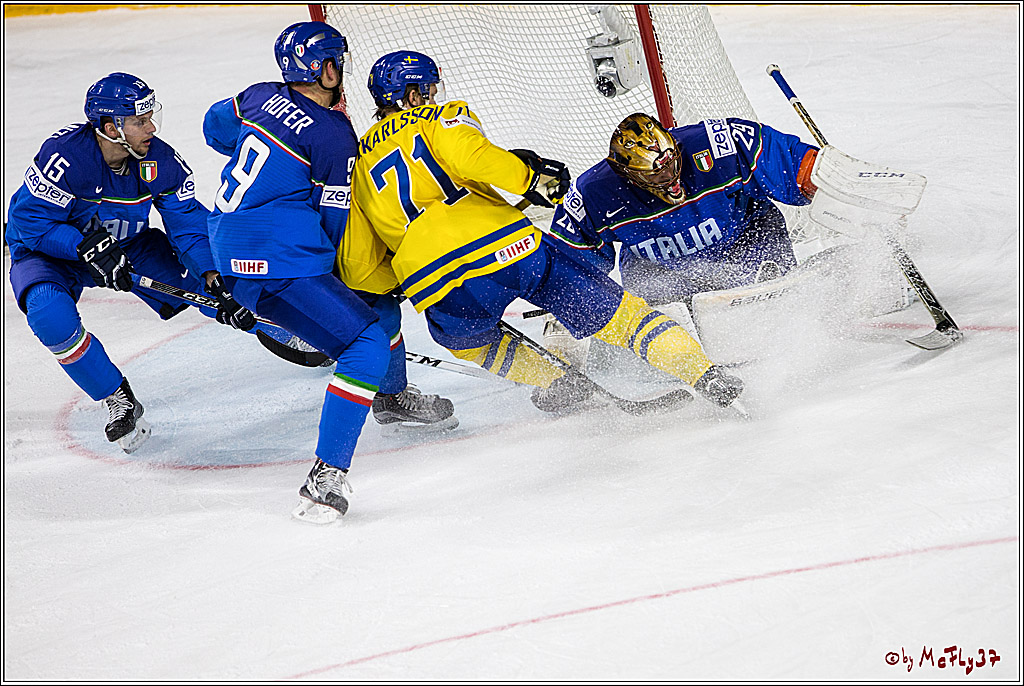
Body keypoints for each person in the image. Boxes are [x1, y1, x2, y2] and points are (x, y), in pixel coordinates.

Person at [338, 50, 744, 418]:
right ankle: (704, 373)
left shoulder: (355, 169)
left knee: (470, 342)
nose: (431, 96)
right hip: (508, 248)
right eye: (427, 89)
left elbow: (358, 267)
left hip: (434, 281)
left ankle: (555, 381)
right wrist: (531, 178)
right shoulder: (440, 117)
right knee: (623, 317)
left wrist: (407, 277)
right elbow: (474, 158)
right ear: (411, 95)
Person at [202, 22, 453, 524]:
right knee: (363, 342)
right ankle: (325, 477)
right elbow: (337, 223)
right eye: (339, 60)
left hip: (229, 243)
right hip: (280, 259)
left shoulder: (257, 95)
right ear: (326, 67)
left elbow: (215, 129)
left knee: (375, 308)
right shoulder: (334, 134)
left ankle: (392, 397)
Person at [5, 72, 256, 454]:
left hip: (128, 247)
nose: (151, 127)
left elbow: (188, 224)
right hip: (50, 254)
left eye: (150, 117)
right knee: (49, 316)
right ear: (110, 127)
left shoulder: (160, 159)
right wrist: (83, 247)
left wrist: (211, 272)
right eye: (139, 121)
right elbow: (28, 226)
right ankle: (115, 396)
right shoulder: (65, 157)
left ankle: (298, 332)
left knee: (224, 287)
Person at [538, 112, 819, 394]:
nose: (671, 177)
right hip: (665, 271)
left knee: (777, 313)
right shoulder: (591, 194)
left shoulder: (716, 142)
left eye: (672, 163)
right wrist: (561, 357)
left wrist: (822, 178)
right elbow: (567, 276)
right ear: (627, 174)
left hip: (746, 243)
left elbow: (790, 162)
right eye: (657, 173)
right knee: (655, 320)